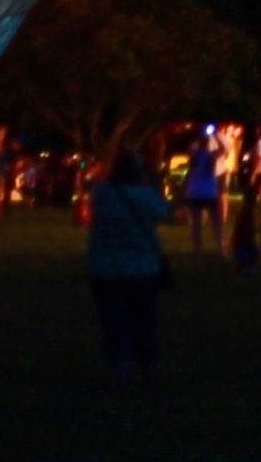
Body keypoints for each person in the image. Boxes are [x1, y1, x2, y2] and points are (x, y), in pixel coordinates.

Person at [86, 149, 170, 383]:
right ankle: (146, 365)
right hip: (142, 266)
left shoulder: (101, 194)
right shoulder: (146, 195)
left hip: (105, 267)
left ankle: (120, 364)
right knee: (144, 318)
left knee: (113, 319)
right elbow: (164, 212)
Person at [182, 130, 222, 252]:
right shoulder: (211, 156)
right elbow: (223, 149)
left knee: (196, 223)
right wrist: (215, 135)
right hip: (209, 192)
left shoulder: (194, 154)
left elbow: (189, 147)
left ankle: (198, 249)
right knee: (216, 222)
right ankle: (220, 247)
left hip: (195, 192)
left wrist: (198, 136)